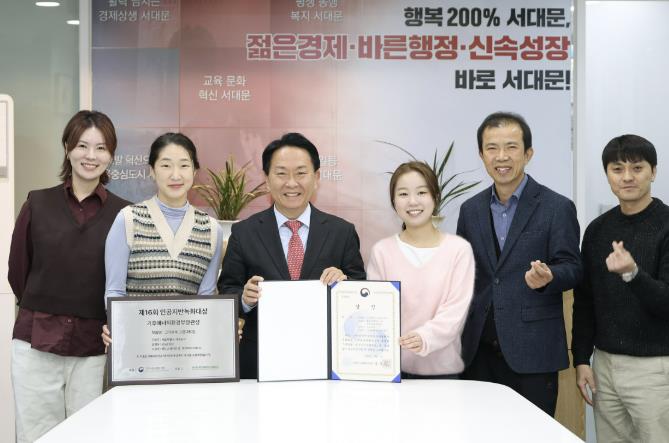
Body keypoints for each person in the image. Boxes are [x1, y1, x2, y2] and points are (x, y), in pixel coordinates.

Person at [8, 110, 129, 442]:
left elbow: (123, 280)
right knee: (37, 435)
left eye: (101, 148)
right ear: (67, 147)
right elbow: (18, 271)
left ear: (111, 155)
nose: (91, 156)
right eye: (82, 145)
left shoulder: (124, 213)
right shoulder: (37, 203)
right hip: (36, 341)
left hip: (93, 347)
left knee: (89, 435)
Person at [456, 111, 582, 415]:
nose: (502, 157)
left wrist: (550, 277)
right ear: (481, 155)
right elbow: (466, 275)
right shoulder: (470, 210)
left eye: (511, 147)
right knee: (478, 432)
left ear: (528, 153)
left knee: (532, 433)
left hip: (533, 352)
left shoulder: (556, 207)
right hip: (479, 353)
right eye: (492, 148)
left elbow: (573, 267)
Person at [218, 132, 366, 379]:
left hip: (325, 360)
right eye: (281, 173)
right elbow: (227, 291)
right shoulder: (244, 233)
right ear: (267, 180)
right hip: (259, 362)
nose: (291, 183)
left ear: (316, 178)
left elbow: (362, 292)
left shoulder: (342, 232)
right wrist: (245, 299)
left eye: (300, 173)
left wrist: (345, 285)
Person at [572, 135, 669, 442]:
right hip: (604, 366)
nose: (627, 177)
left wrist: (632, 274)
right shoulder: (597, 230)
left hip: (656, 369)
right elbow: (585, 301)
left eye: (637, 168)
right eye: (617, 169)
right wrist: (581, 359)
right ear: (607, 174)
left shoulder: (666, 225)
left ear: (653, 171)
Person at [101, 132, 223, 345]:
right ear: (152, 171)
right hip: (137, 347)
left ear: (194, 171)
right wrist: (117, 326)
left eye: (184, 165)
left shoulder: (211, 229)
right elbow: (115, 291)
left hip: (188, 350)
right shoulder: (128, 219)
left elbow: (206, 299)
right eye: (166, 165)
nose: (175, 175)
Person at [366, 161, 475, 378]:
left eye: (422, 192)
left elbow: (455, 312)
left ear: (435, 197)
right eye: (403, 194)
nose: (413, 201)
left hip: (443, 373)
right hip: (393, 370)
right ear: (394, 201)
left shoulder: (458, 250)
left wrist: (424, 337)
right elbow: (375, 312)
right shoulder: (382, 251)